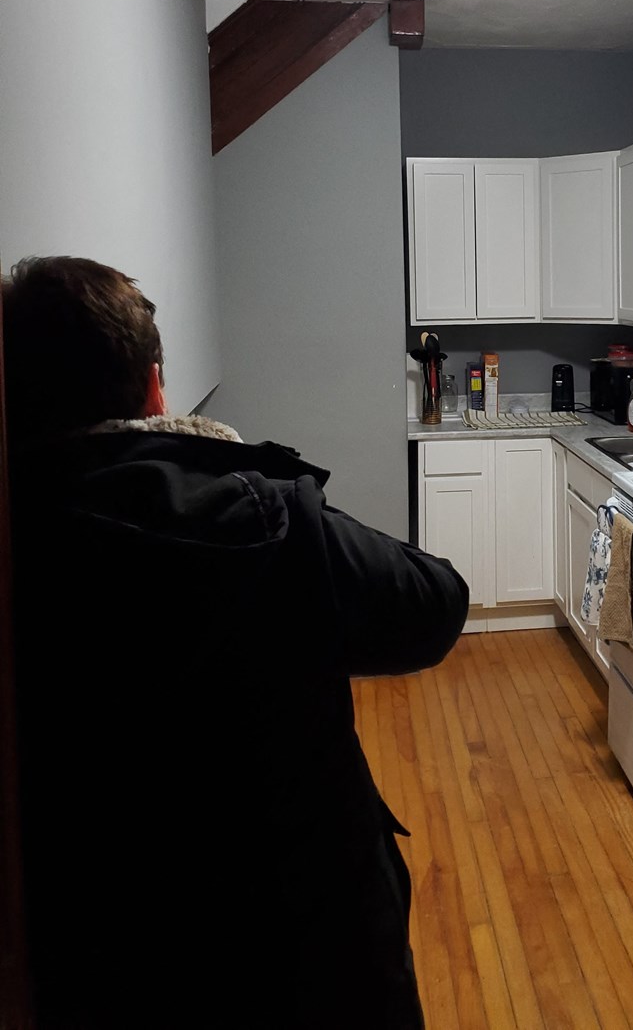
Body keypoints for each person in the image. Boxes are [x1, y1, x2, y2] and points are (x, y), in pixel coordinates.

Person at [3, 255, 468, 1029]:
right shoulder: (255, 513)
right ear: (155, 387)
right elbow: (435, 601)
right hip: (304, 930)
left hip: (99, 944)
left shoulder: (22, 532)